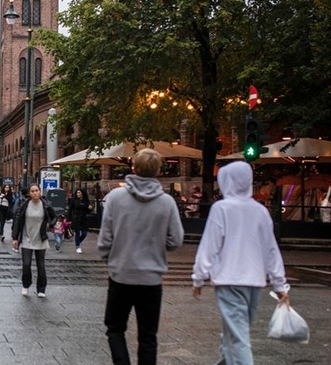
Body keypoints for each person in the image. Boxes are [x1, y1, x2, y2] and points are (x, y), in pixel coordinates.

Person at [191, 161, 289, 364]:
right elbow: (271, 250)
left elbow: (209, 246)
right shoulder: (261, 211)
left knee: (238, 337)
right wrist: (279, 284)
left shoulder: (222, 209)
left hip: (229, 281)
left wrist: (199, 277)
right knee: (235, 332)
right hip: (254, 282)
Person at [97, 148, 184, 365]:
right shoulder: (167, 202)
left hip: (121, 274)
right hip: (151, 279)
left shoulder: (116, 198)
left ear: (133, 167)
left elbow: (105, 237)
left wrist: (110, 256)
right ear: (158, 170)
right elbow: (176, 240)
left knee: (115, 328)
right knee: (148, 336)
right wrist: (155, 245)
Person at [12, 184, 57, 297]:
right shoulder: (24, 205)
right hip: (26, 238)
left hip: (40, 238)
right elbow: (17, 220)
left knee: (40, 265)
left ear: (40, 192)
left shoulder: (46, 205)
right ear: (29, 193)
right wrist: (15, 238)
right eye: (32, 191)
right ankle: (26, 285)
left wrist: (50, 224)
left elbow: (55, 217)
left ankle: (41, 289)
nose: (35, 193)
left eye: (37, 190)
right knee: (26, 264)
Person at [68, 188, 92, 254]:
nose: (78, 194)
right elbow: (70, 209)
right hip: (76, 218)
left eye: (79, 193)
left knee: (84, 233)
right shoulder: (74, 200)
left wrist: (90, 209)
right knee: (77, 233)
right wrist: (69, 219)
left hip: (83, 219)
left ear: (82, 193)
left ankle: (78, 242)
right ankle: (78, 246)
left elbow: (88, 210)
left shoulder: (85, 201)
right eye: (77, 192)